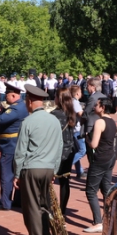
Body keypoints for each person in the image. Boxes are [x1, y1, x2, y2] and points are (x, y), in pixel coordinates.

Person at [13, 85, 63, 235]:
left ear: (29, 101)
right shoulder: (54, 120)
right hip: (48, 168)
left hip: (32, 168)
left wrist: (17, 173)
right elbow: (59, 147)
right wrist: (54, 169)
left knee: (32, 208)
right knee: (44, 205)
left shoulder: (28, 122)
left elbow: (20, 151)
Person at [0, 83, 28, 211]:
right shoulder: (21, 106)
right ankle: (18, 200)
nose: (5, 98)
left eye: (7, 96)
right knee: (17, 173)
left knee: (6, 175)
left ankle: (5, 203)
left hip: (10, 146)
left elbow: (1, 120)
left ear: (14, 95)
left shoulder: (15, 109)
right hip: (16, 145)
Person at [83, 96, 117, 233]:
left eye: (97, 105)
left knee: (91, 191)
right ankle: (109, 219)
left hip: (100, 158)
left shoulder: (100, 122)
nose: (94, 107)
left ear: (102, 107)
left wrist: (87, 138)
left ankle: (98, 222)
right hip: (110, 157)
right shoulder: (112, 121)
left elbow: (94, 144)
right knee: (106, 189)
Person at [51, 88, 76, 216]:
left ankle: (51, 211)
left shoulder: (54, 114)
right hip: (69, 150)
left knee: (49, 181)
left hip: (57, 151)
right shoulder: (71, 112)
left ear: (58, 98)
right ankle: (62, 210)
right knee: (65, 181)